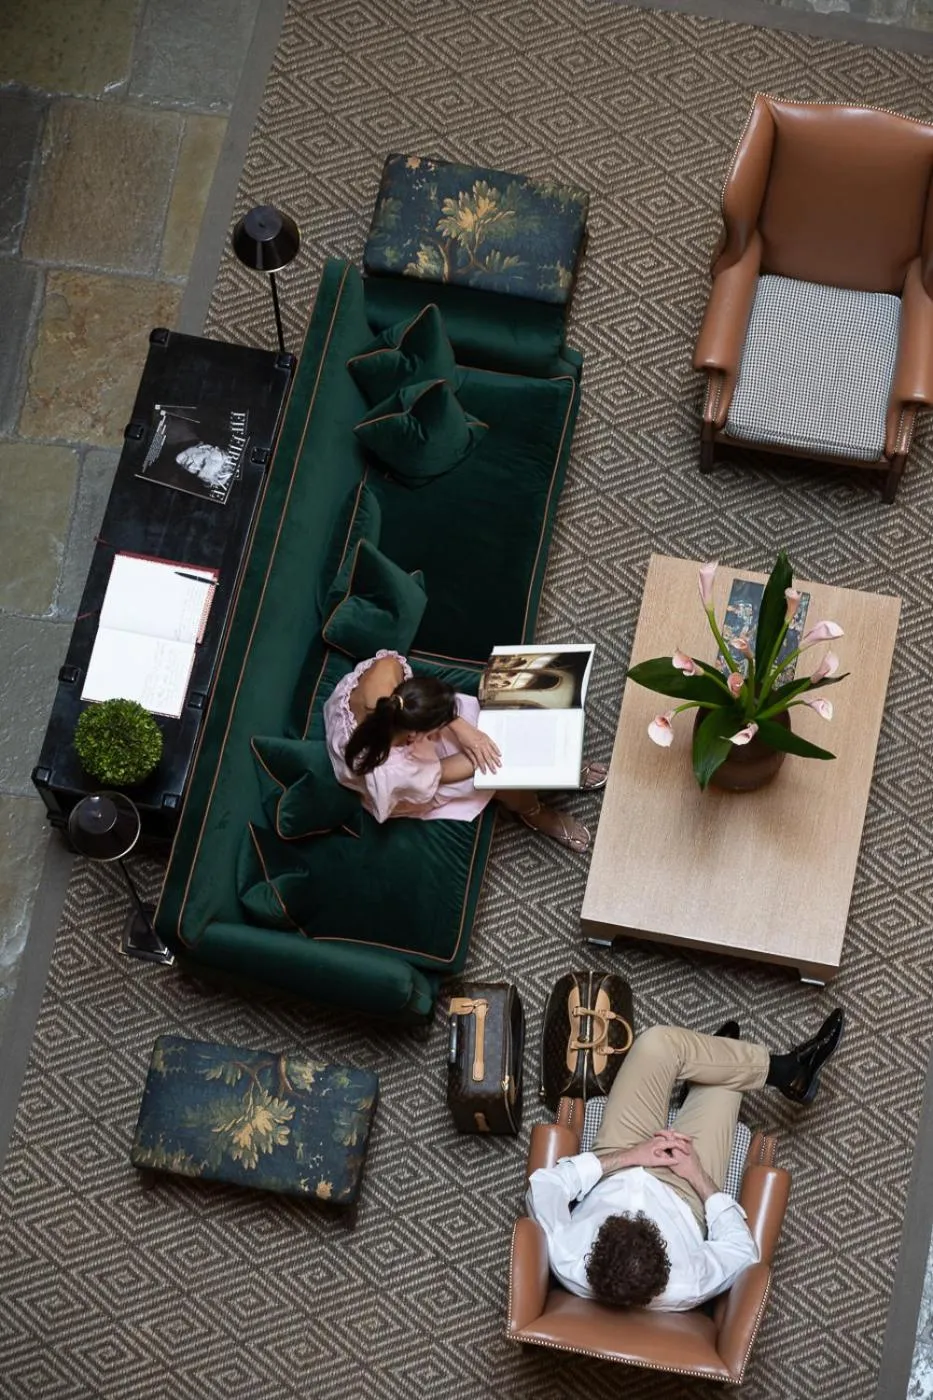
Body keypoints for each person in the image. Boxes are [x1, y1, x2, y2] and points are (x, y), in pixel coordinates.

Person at [526, 1010, 845, 1310]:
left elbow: (545, 1185)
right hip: (685, 1192)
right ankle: (787, 1075)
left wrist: (630, 1156)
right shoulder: (688, 1284)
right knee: (726, 1077)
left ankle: (784, 1070)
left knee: (656, 1044)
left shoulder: (569, 1257)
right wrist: (698, 1177)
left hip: (618, 1161)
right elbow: (741, 1250)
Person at [322, 649, 606, 851]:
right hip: (413, 777)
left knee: (488, 723)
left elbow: (392, 666)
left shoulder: (386, 681)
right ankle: (532, 810)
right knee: (498, 771)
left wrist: (461, 727)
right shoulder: (394, 770)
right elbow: (442, 772)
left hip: (399, 732)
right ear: (416, 736)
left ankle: (556, 765)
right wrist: (504, 744)